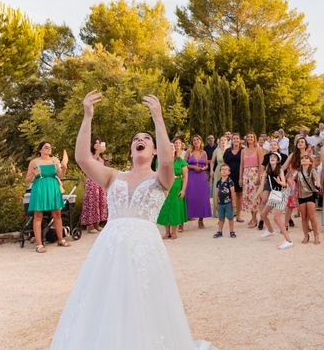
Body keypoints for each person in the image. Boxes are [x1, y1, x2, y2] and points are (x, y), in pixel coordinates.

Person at [51, 91, 213, 349]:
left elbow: (169, 159)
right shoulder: (113, 176)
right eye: (136, 139)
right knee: (107, 302)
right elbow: (82, 158)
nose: (140, 140)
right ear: (130, 149)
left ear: (155, 149)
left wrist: (158, 118)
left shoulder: (162, 178)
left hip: (145, 250)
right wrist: (87, 116)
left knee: (143, 304)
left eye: (146, 139)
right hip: (109, 251)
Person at [25, 141, 69, 253]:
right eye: (46, 147)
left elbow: (60, 175)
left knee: (57, 214)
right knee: (38, 215)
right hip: (39, 188)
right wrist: (33, 174)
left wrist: (64, 168)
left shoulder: (55, 160)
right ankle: (39, 244)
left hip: (53, 187)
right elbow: (27, 180)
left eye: (49, 147)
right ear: (40, 150)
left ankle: (61, 239)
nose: (48, 149)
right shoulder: (34, 162)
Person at [258, 153, 293, 249]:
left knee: (276, 218)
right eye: (270, 157)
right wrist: (255, 196)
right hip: (275, 194)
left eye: (274, 157)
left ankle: (289, 241)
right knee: (263, 214)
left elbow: (285, 185)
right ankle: (270, 231)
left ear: (278, 160)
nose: (272, 158)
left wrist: (279, 182)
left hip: (283, 194)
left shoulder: (280, 169)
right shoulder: (267, 170)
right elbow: (261, 185)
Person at [156, 137, 188, 239]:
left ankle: (174, 232)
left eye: (173, 147)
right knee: (165, 207)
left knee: (175, 208)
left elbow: (185, 176)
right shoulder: (160, 161)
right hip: (165, 186)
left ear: (175, 149)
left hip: (177, 186)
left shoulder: (181, 161)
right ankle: (167, 232)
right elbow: (158, 175)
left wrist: (183, 190)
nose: (171, 149)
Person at [282, 137, 311, 230]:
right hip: (292, 183)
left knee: (305, 205)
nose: (300, 143)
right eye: (298, 142)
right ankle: (285, 225)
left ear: (306, 145)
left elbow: (312, 170)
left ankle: (307, 225)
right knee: (289, 205)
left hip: (304, 184)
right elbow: (284, 167)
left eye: (302, 142)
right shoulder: (292, 155)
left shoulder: (309, 156)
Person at [80, 137, 108, 233]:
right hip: (91, 182)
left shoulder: (101, 159)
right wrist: (97, 152)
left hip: (99, 182)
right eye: (95, 143)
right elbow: (90, 166)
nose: (97, 144)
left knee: (99, 202)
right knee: (91, 202)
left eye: (99, 143)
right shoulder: (90, 156)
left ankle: (97, 223)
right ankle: (90, 225)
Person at [185, 135, 211, 228]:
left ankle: (201, 220)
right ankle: (183, 220)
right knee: (190, 197)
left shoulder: (204, 152)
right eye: (194, 140)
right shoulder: (189, 151)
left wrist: (203, 168)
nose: (196, 141)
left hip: (201, 176)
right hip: (191, 176)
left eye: (197, 140)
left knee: (202, 198)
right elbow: (184, 164)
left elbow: (207, 165)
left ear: (200, 141)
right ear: (192, 142)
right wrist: (193, 167)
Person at [295, 154, 321, 244]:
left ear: (310, 162)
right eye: (302, 158)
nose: (304, 159)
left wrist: (318, 184)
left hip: (310, 194)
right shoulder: (297, 172)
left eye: (306, 158)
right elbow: (292, 180)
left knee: (312, 216)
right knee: (303, 217)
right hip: (301, 196)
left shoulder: (312, 170)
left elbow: (317, 178)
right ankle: (306, 235)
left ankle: (316, 236)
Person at [240, 132, 263, 228]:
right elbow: (241, 165)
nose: (250, 138)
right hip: (245, 174)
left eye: (251, 137)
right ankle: (252, 217)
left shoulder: (258, 149)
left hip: (255, 173)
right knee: (247, 196)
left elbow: (261, 164)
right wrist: (240, 178)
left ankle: (254, 219)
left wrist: (259, 177)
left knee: (254, 197)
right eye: (248, 137)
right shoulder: (243, 150)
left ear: (254, 138)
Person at [224, 133, 244, 222]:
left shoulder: (243, 150)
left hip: (240, 175)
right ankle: (230, 214)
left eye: (237, 138)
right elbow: (224, 164)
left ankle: (238, 216)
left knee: (239, 195)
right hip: (229, 176)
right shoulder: (227, 151)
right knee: (228, 195)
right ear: (232, 140)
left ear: (239, 140)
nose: (235, 140)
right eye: (234, 138)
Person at [213, 163, 236, 238]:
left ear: (229, 172)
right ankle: (219, 231)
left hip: (228, 203)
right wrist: (216, 203)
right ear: (220, 171)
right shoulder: (218, 182)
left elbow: (232, 193)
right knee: (221, 218)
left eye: (226, 169)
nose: (224, 171)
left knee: (230, 217)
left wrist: (233, 203)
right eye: (222, 169)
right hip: (220, 203)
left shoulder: (230, 182)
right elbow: (216, 193)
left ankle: (232, 231)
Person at [210, 135, 229, 218]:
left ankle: (228, 211)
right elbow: (212, 162)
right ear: (219, 142)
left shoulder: (229, 150)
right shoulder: (216, 151)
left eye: (225, 140)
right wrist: (211, 170)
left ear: (227, 141)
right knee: (218, 189)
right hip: (218, 171)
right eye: (221, 140)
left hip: (228, 170)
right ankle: (217, 212)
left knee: (227, 190)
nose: (223, 141)